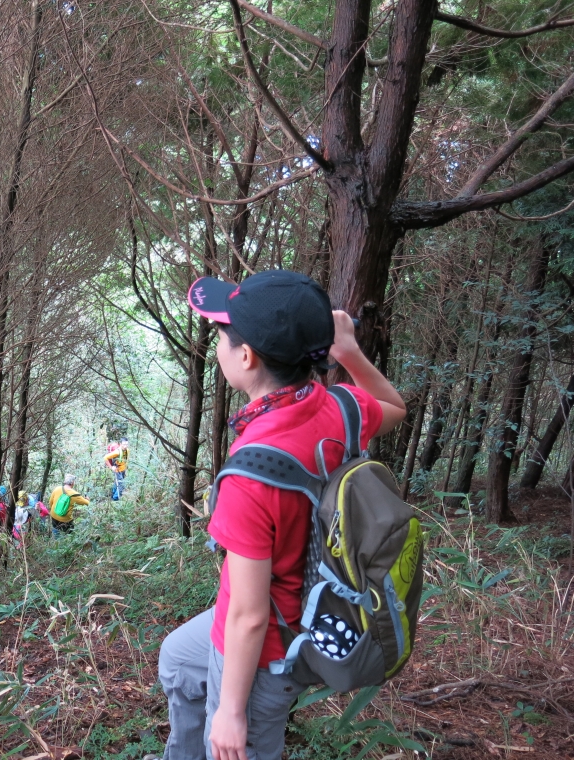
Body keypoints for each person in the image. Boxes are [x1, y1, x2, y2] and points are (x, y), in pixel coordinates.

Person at [152, 270, 406, 760]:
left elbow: (249, 617)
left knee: (236, 742)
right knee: (179, 661)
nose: (221, 344)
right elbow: (394, 405)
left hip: (269, 643)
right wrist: (349, 353)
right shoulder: (338, 407)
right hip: (298, 606)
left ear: (245, 357)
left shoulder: (251, 476)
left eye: (224, 335)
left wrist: (230, 710)